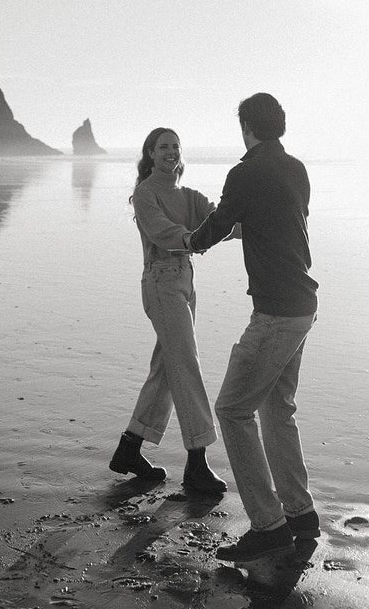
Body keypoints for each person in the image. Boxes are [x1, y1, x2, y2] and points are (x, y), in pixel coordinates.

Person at [184, 93, 320, 564]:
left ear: (247, 126)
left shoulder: (245, 172)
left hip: (276, 313)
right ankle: (300, 514)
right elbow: (277, 220)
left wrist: (188, 242)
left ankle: (269, 526)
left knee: (233, 410)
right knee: (277, 409)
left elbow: (219, 223)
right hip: (303, 306)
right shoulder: (297, 168)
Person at [108, 127, 227, 494]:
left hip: (185, 283)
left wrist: (253, 222)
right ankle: (197, 461)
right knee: (186, 364)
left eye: (176, 146)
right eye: (163, 147)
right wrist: (192, 239)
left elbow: (218, 220)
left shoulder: (188, 195)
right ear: (150, 153)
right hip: (160, 282)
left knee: (166, 367)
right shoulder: (145, 194)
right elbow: (162, 231)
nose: (171, 152)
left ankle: (130, 448)